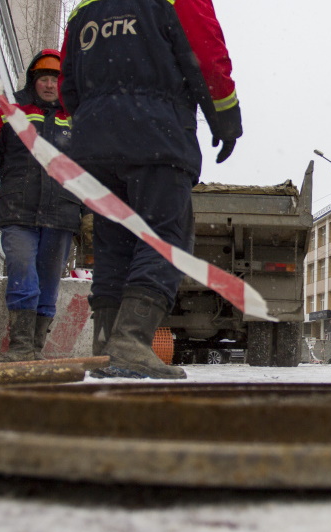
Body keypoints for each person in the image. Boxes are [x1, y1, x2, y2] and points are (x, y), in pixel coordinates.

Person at [60, 0, 242, 379]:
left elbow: (67, 86)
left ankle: (106, 345)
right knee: (164, 236)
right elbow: (207, 58)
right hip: (157, 136)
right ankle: (130, 341)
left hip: (96, 146)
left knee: (114, 243)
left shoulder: (84, 8)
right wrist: (225, 117)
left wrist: (96, 122)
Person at [0, 49, 81, 361]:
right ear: (33, 81)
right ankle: (20, 346)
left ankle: (34, 348)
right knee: (22, 270)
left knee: (48, 282)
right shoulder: (10, 114)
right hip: (18, 211)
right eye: (43, 78)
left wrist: (91, 213)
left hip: (61, 214)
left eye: (55, 80)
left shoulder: (78, 121)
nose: (49, 85)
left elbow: (91, 170)